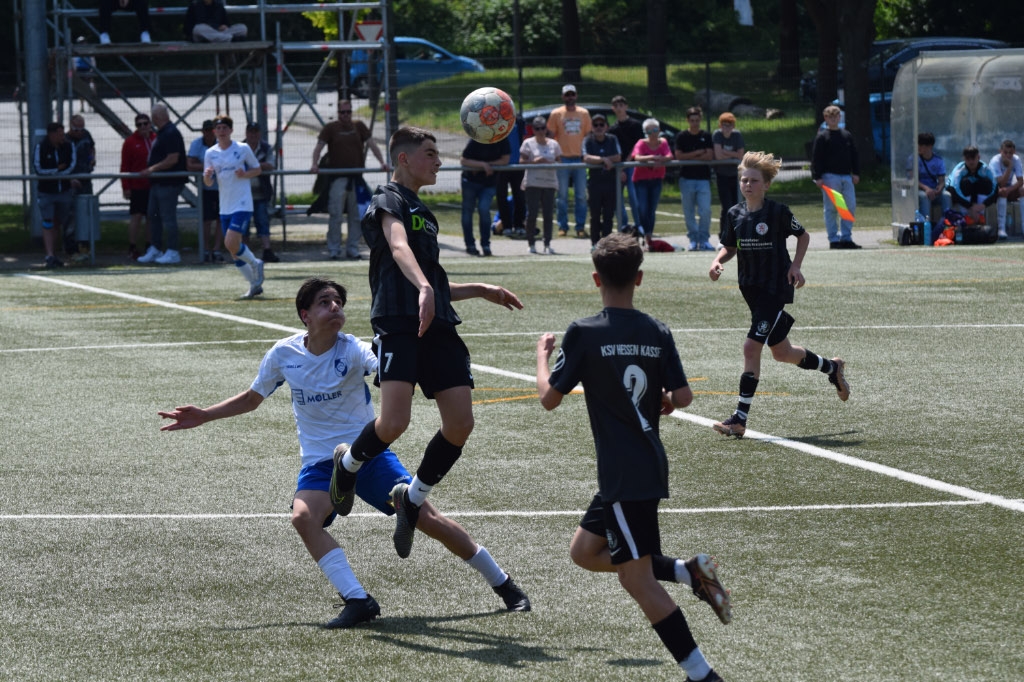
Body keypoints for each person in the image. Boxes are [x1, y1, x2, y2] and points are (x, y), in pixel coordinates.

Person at [158, 277, 530, 629]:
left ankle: (504, 584)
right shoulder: (283, 353)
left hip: (368, 455)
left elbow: (386, 370)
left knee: (428, 520)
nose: (335, 307)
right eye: (325, 302)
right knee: (303, 518)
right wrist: (205, 415)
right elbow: (253, 398)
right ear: (305, 314)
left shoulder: (353, 348)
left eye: (338, 302)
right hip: (321, 462)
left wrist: (407, 363)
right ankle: (358, 600)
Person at [536, 232, 729, 682]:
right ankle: (688, 572)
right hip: (644, 466)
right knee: (584, 551)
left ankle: (702, 675)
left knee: (635, 579)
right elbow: (684, 396)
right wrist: (665, 399)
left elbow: (549, 398)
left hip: (624, 474)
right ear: (639, 278)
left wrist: (542, 357)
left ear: (595, 279)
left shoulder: (584, 332)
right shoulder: (656, 330)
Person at [328, 127, 523, 561]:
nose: (438, 161)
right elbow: (399, 247)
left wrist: (481, 289)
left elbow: (432, 283)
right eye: (430, 153)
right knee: (394, 422)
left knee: (460, 424)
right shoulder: (388, 198)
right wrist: (424, 288)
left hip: (439, 324)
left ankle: (412, 498)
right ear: (403, 158)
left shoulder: (426, 213)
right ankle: (348, 464)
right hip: (399, 322)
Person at [708, 151, 850, 438]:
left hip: (774, 289)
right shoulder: (734, 214)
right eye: (744, 180)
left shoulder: (778, 212)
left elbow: (803, 236)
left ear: (766, 185)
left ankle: (739, 419)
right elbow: (730, 247)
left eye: (753, 180)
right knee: (783, 353)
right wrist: (717, 261)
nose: (747, 185)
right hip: (750, 290)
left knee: (751, 348)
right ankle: (832, 367)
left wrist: (796, 266)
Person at [310, 99, 387, 260]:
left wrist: (382, 162)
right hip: (338, 178)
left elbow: (372, 145)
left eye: (348, 112)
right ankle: (334, 249)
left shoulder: (359, 126)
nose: (345, 115)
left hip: (356, 178)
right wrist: (314, 164)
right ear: (338, 113)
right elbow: (318, 147)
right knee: (336, 215)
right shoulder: (331, 128)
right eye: (342, 112)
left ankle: (352, 248)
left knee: (357, 215)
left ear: (351, 112)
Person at [202, 115, 265, 299]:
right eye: (218, 128)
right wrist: (207, 176)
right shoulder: (210, 153)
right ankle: (254, 285)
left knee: (230, 242)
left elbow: (257, 169)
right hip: (225, 205)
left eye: (225, 128)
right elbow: (208, 182)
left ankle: (255, 263)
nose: (221, 131)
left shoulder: (242, 148)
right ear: (214, 131)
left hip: (242, 203)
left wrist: (245, 174)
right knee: (233, 250)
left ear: (231, 130)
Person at [138, 103, 187, 264]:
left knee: (168, 217)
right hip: (158, 183)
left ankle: (173, 251)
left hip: (169, 183)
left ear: (157, 117)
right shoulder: (163, 132)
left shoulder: (171, 133)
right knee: (153, 215)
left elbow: (173, 158)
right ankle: (156, 248)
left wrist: (152, 169)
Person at [811, 104, 860, 249]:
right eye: (830, 116)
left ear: (840, 117)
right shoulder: (822, 137)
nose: (833, 119)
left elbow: (854, 155)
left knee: (849, 206)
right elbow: (816, 158)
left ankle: (846, 238)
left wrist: (856, 173)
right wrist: (817, 176)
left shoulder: (846, 135)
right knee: (831, 208)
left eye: (836, 116)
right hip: (829, 177)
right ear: (825, 118)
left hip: (846, 177)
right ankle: (833, 239)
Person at [547, 84, 592, 238]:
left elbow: (588, 136)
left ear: (576, 96)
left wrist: (587, 155)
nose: (570, 97)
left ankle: (580, 227)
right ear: (563, 97)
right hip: (562, 159)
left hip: (580, 159)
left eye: (572, 94)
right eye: (567, 95)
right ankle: (563, 226)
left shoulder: (584, 113)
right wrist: (554, 156)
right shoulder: (556, 113)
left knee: (581, 196)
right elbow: (550, 137)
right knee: (562, 196)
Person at [33, 122, 76, 269]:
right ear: (51, 134)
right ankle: (50, 255)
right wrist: (56, 170)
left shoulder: (68, 146)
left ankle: (60, 252)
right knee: (48, 221)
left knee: (60, 222)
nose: (63, 137)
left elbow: (71, 166)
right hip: (46, 192)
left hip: (64, 191)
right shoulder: (41, 147)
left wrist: (60, 174)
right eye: (60, 134)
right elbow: (38, 169)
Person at [459, 133, 511, 256]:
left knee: (484, 209)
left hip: (489, 183)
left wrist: (489, 165)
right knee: (467, 211)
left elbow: (505, 160)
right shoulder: (477, 139)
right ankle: (470, 244)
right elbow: (464, 160)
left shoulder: (502, 139)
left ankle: (485, 244)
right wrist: (483, 165)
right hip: (470, 181)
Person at [519, 115, 562, 255]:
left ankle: (547, 243)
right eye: (537, 129)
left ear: (546, 129)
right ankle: (531, 243)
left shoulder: (554, 144)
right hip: (533, 183)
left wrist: (550, 163)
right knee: (532, 214)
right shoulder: (528, 143)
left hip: (549, 183)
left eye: (543, 128)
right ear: (533, 130)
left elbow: (559, 162)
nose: (540, 131)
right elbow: (521, 161)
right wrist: (534, 161)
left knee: (548, 215)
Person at [674, 106, 715, 251]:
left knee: (705, 211)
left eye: (697, 120)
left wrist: (690, 156)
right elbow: (679, 156)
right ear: (688, 120)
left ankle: (704, 240)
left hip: (703, 179)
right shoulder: (681, 136)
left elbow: (709, 156)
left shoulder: (706, 136)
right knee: (689, 212)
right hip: (686, 179)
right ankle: (693, 239)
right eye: (692, 120)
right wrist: (698, 153)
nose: (695, 123)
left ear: (700, 120)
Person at [630, 118, 673, 246]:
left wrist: (661, 160)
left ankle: (648, 236)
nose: (653, 133)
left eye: (655, 130)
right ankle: (645, 232)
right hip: (641, 180)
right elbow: (637, 157)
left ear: (659, 130)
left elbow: (669, 156)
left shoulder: (663, 142)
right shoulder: (641, 143)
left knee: (651, 209)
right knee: (642, 208)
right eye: (649, 131)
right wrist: (653, 158)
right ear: (645, 132)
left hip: (656, 179)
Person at [582, 113, 621, 249]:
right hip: (594, 183)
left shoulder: (612, 139)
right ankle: (595, 243)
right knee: (595, 215)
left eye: (601, 124)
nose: (599, 127)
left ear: (606, 126)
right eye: (596, 125)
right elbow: (586, 157)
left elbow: (618, 156)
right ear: (592, 127)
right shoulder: (588, 140)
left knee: (608, 215)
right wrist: (603, 160)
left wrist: (605, 159)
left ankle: (607, 243)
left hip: (610, 182)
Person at [187, 120, 224, 263]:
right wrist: (208, 166)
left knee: (221, 219)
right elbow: (190, 164)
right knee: (206, 219)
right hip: (205, 189)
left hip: (221, 188)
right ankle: (206, 249)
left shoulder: (222, 144)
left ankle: (217, 249)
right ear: (203, 131)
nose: (209, 133)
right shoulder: (197, 144)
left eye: (212, 130)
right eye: (207, 130)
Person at [120, 112, 156, 261]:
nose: (143, 127)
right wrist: (126, 186)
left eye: (145, 123)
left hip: (154, 185)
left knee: (151, 217)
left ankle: (149, 245)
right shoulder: (130, 142)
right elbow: (124, 166)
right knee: (136, 216)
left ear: (150, 124)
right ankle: (132, 246)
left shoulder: (156, 139)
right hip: (137, 186)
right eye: (139, 124)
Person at [244, 122, 279, 262]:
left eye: (256, 132)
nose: (253, 135)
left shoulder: (265, 148)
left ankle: (267, 250)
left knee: (263, 221)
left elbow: (271, 165)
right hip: (243, 194)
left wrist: (252, 166)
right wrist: (259, 166)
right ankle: (244, 254)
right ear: (246, 133)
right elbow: (237, 166)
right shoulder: (239, 148)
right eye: (251, 132)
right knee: (243, 225)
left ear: (259, 133)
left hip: (261, 193)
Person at [609, 95, 643, 229]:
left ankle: (639, 225)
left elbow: (638, 145)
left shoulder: (635, 125)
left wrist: (627, 162)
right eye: (616, 106)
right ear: (613, 108)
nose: (619, 108)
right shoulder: (612, 129)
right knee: (617, 197)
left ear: (626, 107)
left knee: (634, 197)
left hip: (633, 165)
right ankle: (623, 224)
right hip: (618, 166)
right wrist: (620, 168)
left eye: (621, 105)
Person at [65, 114, 97, 262]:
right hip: (72, 182)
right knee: (71, 216)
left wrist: (92, 159)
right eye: (77, 129)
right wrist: (69, 178)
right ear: (70, 127)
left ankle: (86, 245)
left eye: (82, 129)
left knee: (87, 212)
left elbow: (92, 148)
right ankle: (71, 249)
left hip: (86, 179)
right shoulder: (65, 140)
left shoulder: (86, 135)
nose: (80, 132)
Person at [712, 112, 744, 245]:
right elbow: (718, 156)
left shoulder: (737, 135)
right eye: (724, 125)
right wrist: (733, 154)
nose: (727, 127)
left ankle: (737, 235)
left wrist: (725, 152)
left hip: (736, 177)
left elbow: (741, 155)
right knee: (727, 207)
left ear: (733, 126)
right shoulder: (717, 135)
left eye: (729, 125)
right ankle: (723, 236)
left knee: (738, 206)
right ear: (720, 125)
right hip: (722, 176)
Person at [910, 131, 951, 233]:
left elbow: (941, 180)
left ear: (930, 146)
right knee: (924, 197)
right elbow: (913, 180)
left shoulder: (938, 160)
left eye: (921, 145)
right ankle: (925, 229)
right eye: (918, 144)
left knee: (946, 195)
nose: (918, 147)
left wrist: (939, 188)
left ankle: (948, 227)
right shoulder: (913, 159)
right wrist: (926, 189)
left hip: (934, 191)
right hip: (919, 191)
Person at [494, 114, 527, 240]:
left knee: (519, 196)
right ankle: (506, 226)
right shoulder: (495, 120)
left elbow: (523, 138)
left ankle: (519, 225)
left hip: (517, 165)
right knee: (501, 196)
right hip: (501, 165)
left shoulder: (518, 121)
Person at [946, 145, 998, 223]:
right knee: (965, 182)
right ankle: (966, 217)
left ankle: (980, 217)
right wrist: (970, 207)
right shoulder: (959, 170)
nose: (971, 161)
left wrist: (983, 205)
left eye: (973, 158)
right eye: (967, 159)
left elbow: (995, 189)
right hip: (959, 194)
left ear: (978, 157)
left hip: (976, 195)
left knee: (986, 183)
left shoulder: (985, 169)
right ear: (964, 159)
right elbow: (955, 190)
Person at [988, 139, 1023, 239]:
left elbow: (1021, 181)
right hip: (993, 190)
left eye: (1010, 153)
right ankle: (1001, 229)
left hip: (1006, 189)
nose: (1008, 155)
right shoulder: (995, 161)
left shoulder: (1016, 159)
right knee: (1003, 191)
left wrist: (1010, 189)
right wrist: (1010, 167)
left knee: (1022, 190)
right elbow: (1001, 183)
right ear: (1000, 151)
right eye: (1005, 152)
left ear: (1014, 152)